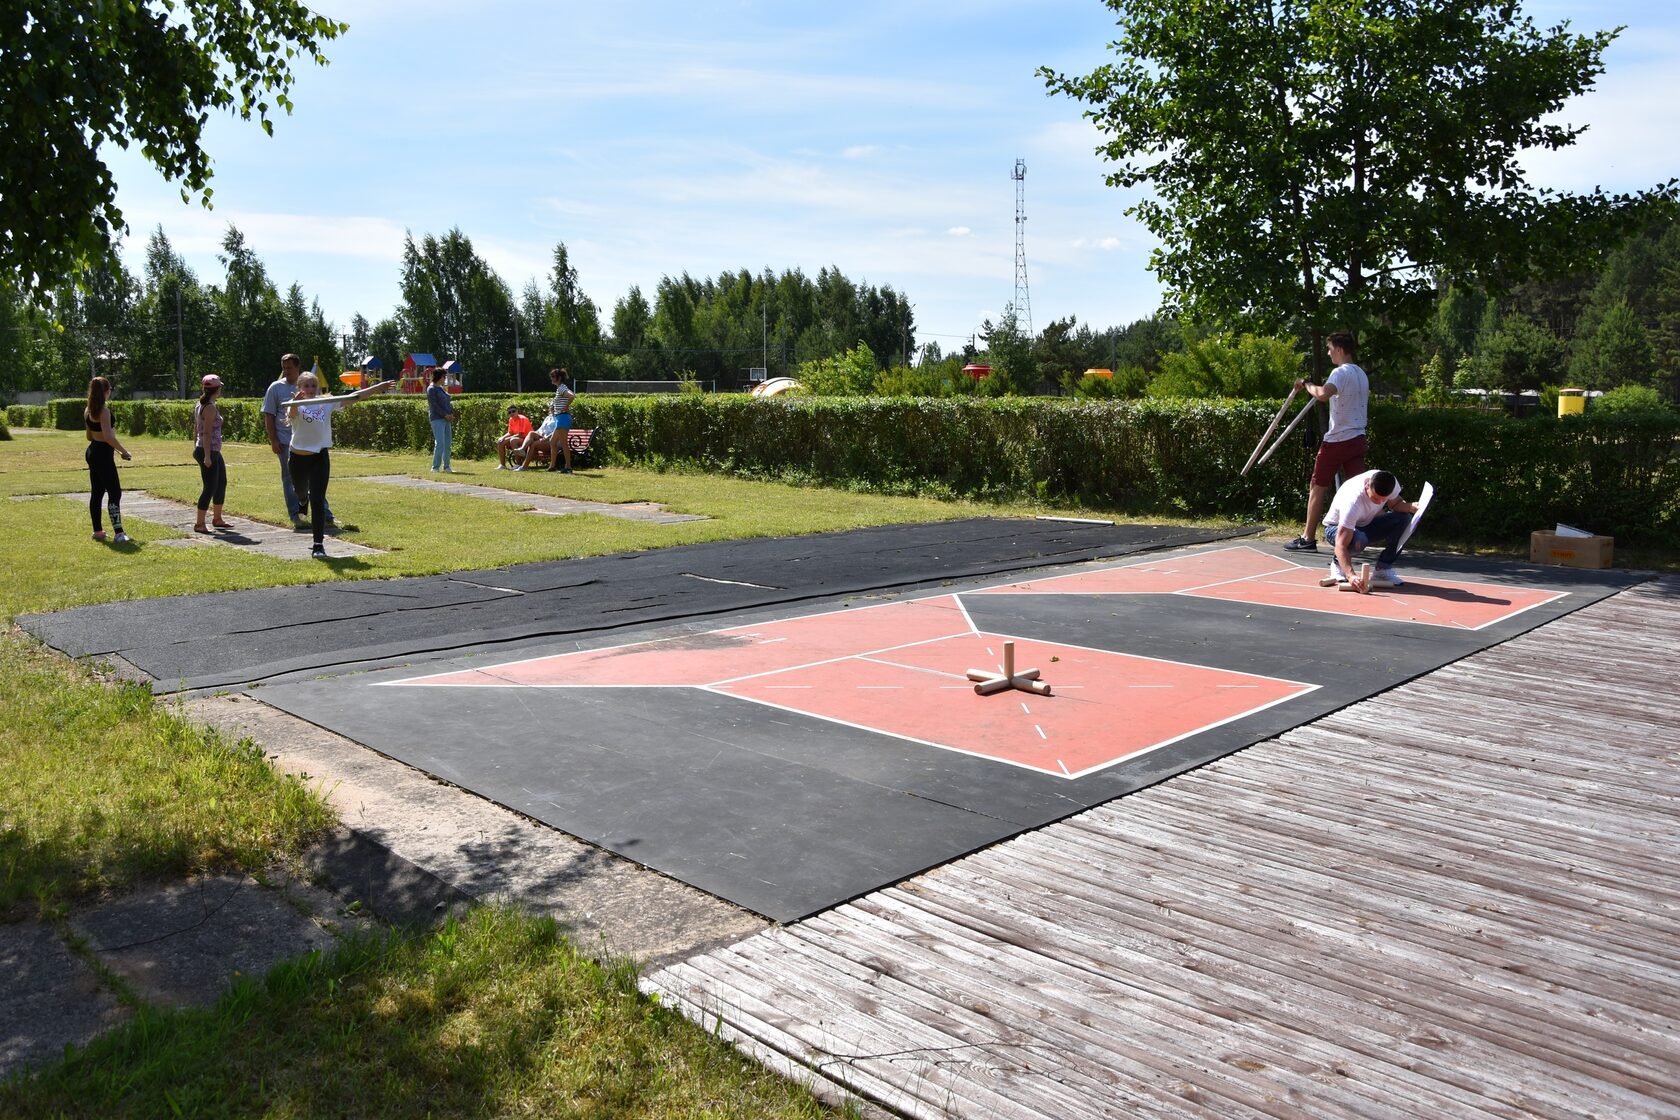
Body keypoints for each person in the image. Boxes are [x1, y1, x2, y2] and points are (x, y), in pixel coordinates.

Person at [282, 371, 396, 559]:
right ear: (300, 387)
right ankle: (303, 501)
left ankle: (318, 545)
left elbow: (355, 397)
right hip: (298, 457)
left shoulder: (326, 402)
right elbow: (291, 414)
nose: (310, 389)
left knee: (318, 500)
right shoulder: (296, 403)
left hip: (319, 456)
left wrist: (379, 387)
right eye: (306, 386)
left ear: (317, 387)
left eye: (313, 385)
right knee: (300, 491)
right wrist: (296, 401)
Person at [1283, 330, 1369, 552]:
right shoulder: (1361, 374)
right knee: (1358, 490)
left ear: (1339, 349)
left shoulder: (1340, 373)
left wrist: (1306, 384)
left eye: (1330, 349)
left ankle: (1308, 537)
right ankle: (1357, 533)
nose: (1329, 353)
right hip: (1358, 438)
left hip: (1338, 440)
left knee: (1317, 486)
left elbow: (1322, 394)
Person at [1317, 468, 1421, 592]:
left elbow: (1395, 504)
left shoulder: (1389, 482)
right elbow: (1341, 544)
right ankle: (1337, 564)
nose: (1380, 502)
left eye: (1384, 499)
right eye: (1376, 499)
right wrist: (1351, 576)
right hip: (1335, 528)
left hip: (1365, 523)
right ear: (1367, 486)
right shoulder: (1352, 502)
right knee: (1359, 540)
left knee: (1405, 519)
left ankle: (1383, 569)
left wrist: (1410, 507)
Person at [263, 353, 335, 530]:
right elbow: (269, 415)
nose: (285, 371)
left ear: (297, 367)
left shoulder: (307, 383)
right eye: (283, 368)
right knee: (291, 480)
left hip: (310, 442)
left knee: (315, 480)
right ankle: (296, 516)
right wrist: (273, 439)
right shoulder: (275, 388)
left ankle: (325, 515)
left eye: (289, 367)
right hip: (287, 442)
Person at [83, 375, 132, 543]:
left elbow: (90, 436)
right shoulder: (104, 411)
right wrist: (124, 452)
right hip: (103, 454)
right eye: (110, 390)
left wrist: (105, 442)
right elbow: (109, 437)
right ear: (105, 391)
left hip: (92, 452)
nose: (110, 393)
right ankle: (119, 533)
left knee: (97, 493)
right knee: (114, 492)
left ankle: (98, 531)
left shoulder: (88, 410)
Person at [192, 374, 231, 532]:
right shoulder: (209, 407)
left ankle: (217, 518)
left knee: (221, 482)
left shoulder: (203, 404)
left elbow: (195, 428)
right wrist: (206, 456)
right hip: (208, 451)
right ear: (217, 389)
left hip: (212, 450)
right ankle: (199, 524)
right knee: (210, 487)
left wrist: (195, 446)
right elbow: (206, 433)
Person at [542, 367, 577, 473]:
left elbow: (572, 396)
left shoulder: (561, 388)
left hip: (563, 418)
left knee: (563, 443)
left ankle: (568, 467)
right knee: (552, 442)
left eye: (553, 376)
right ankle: (552, 466)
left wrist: (566, 406)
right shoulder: (561, 388)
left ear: (559, 378)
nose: (551, 378)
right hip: (560, 418)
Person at [427, 367, 457, 473]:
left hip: (446, 419)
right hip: (437, 419)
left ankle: (447, 466)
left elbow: (447, 402)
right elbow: (434, 405)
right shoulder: (431, 389)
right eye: (444, 376)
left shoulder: (441, 388)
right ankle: (435, 467)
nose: (445, 378)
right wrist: (445, 415)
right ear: (439, 377)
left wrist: (450, 414)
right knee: (440, 443)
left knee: (447, 444)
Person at [495, 405, 533, 469]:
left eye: (513, 411)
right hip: (518, 438)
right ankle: (502, 465)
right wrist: (503, 437)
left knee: (513, 440)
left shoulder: (522, 419)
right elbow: (510, 432)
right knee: (500, 442)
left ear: (517, 411)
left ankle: (518, 464)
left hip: (527, 439)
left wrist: (508, 438)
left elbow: (521, 434)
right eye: (509, 412)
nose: (511, 413)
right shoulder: (511, 419)